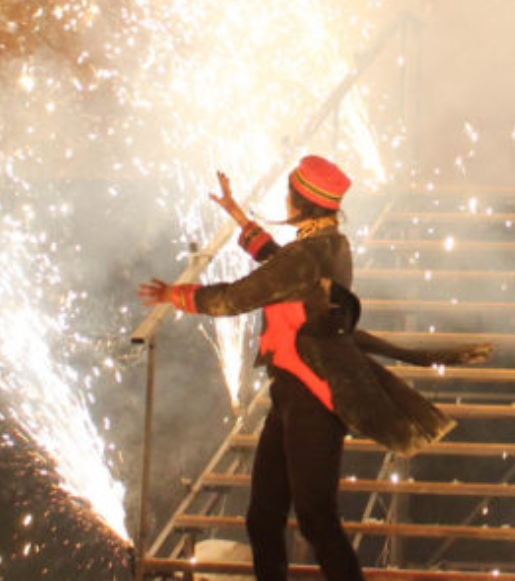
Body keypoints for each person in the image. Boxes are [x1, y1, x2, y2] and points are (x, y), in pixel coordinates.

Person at [139, 155, 489, 581]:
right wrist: (238, 217)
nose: (285, 201)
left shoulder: (310, 253)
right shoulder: (329, 245)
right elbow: (280, 264)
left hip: (312, 399)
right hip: (289, 395)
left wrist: (176, 295)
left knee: (316, 519)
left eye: (289, 195)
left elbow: (237, 296)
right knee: (263, 519)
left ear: (301, 203)